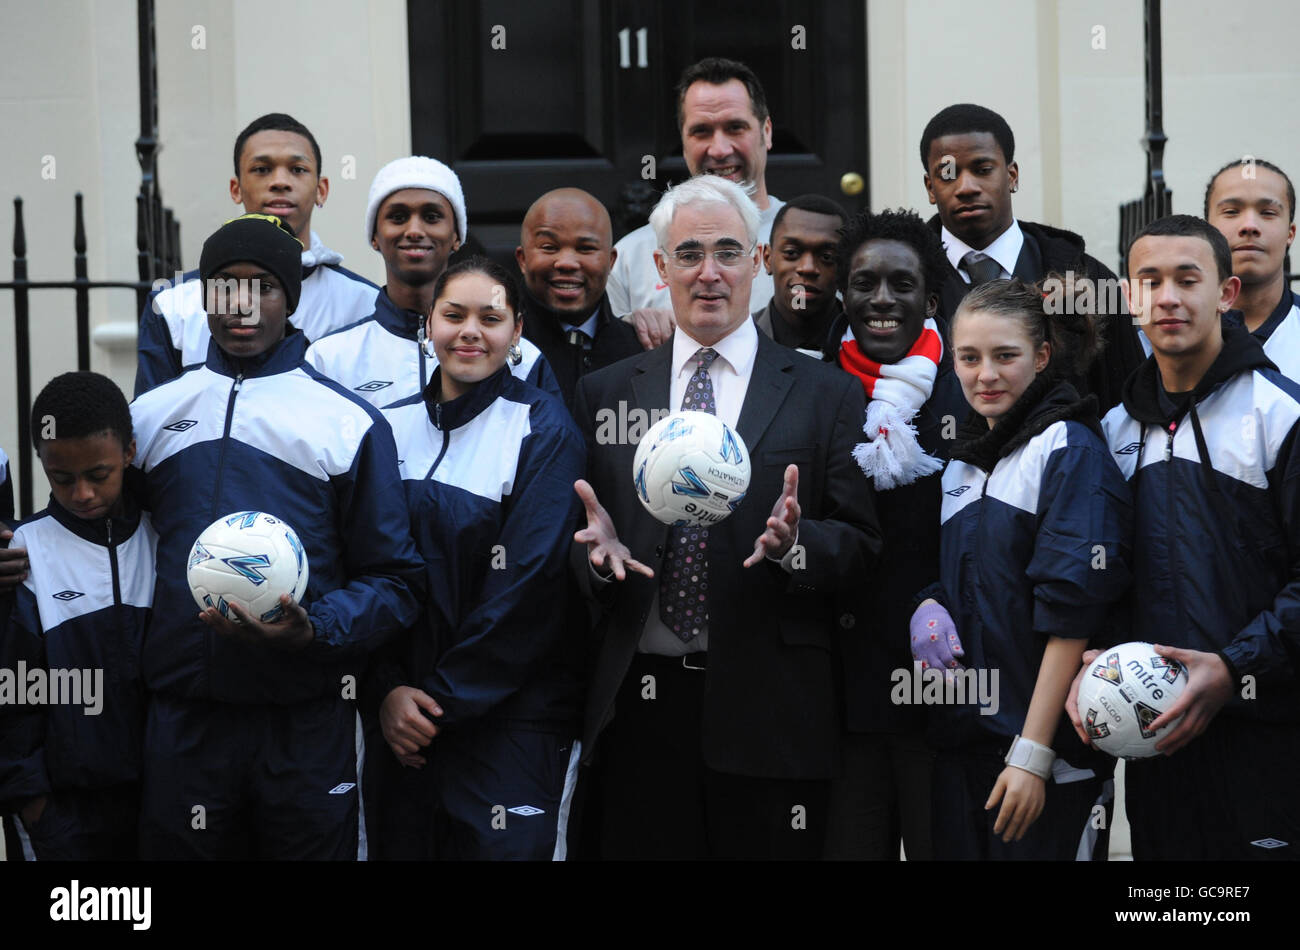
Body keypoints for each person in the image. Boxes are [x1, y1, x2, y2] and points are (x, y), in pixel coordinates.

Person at [571, 175, 879, 859]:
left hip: (772, 718)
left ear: (760, 261)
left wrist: (795, 547)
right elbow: (581, 534)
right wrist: (593, 560)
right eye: (688, 254)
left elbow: (861, 543)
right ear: (659, 269)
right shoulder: (607, 391)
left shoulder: (825, 394)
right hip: (640, 718)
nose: (709, 273)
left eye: (728, 252)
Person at [130, 214, 424, 860]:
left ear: (289, 297)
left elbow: (397, 583)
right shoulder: (150, 418)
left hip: (305, 722)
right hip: (184, 721)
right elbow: (100, 541)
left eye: (260, 285)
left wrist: (314, 628)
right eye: (223, 286)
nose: (240, 304)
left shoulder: (348, 423)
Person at [1073, 214, 1300, 859]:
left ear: (1226, 294)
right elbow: (1105, 576)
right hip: (1155, 742)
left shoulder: (1281, 415)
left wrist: (1233, 669)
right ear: (1128, 297)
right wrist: (1097, 658)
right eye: (1149, 280)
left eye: (1187, 279)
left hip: (1267, 740)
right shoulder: (1113, 431)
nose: (1167, 297)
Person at [367, 258, 586, 860]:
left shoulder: (545, 431)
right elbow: (367, 569)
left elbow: (526, 588)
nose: (470, 331)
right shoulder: (384, 428)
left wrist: (435, 705)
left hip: (509, 724)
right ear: (427, 325)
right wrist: (387, 692)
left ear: (518, 333)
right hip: (399, 720)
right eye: (453, 314)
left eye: (491, 318)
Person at [915, 277, 1132, 860]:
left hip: (1045, 758)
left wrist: (1034, 753)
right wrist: (931, 600)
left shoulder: (1068, 445)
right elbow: (981, 579)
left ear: (1041, 356)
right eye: (969, 357)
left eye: (1005, 355)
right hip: (967, 752)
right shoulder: (962, 466)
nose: (986, 374)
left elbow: (1073, 613)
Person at [819, 208, 967, 861]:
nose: (881, 300)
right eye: (864, 283)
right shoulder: (812, 392)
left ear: (930, 299)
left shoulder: (970, 393)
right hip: (840, 701)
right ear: (842, 295)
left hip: (942, 691)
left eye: (901, 285)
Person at [0, 373, 154, 860]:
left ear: (129, 451)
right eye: (61, 479)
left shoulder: (164, 537)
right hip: (63, 815)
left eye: (98, 474)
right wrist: (32, 802)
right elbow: (11, 685)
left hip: (166, 797)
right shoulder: (23, 554)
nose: (82, 493)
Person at [919, 103, 1144, 411]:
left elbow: (1127, 405)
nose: (966, 187)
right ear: (931, 188)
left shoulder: (1092, 282)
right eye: (948, 175)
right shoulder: (905, 286)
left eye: (983, 170)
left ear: (1012, 176)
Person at [135, 112, 378, 395]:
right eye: (262, 169)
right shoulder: (173, 305)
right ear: (236, 189)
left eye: (297, 169)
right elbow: (155, 423)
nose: (280, 182)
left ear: (321, 190)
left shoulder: (366, 303)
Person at [306, 156, 561, 408]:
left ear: (456, 236)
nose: (415, 231)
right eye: (397, 217)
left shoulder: (523, 359)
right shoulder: (331, 358)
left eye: (432, 217)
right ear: (374, 236)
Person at [607, 57, 785, 349]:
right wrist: (629, 328)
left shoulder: (807, 249)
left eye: (735, 128)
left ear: (766, 132)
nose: (719, 149)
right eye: (701, 131)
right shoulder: (629, 258)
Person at [516, 188, 641, 411]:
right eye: (549, 247)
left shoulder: (641, 348)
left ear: (611, 261)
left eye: (586, 248)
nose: (567, 262)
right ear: (523, 259)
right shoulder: (497, 349)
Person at [1205, 158, 1298, 375]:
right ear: (1206, 230)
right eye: (1231, 211)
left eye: (1267, 212)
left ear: (1290, 234)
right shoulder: (1161, 334)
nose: (1249, 226)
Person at [754, 194, 847, 359]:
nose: (807, 268)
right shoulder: (739, 340)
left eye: (827, 257)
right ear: (768, 259)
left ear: (846, 268)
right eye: (791, 253)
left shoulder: (867, 342)